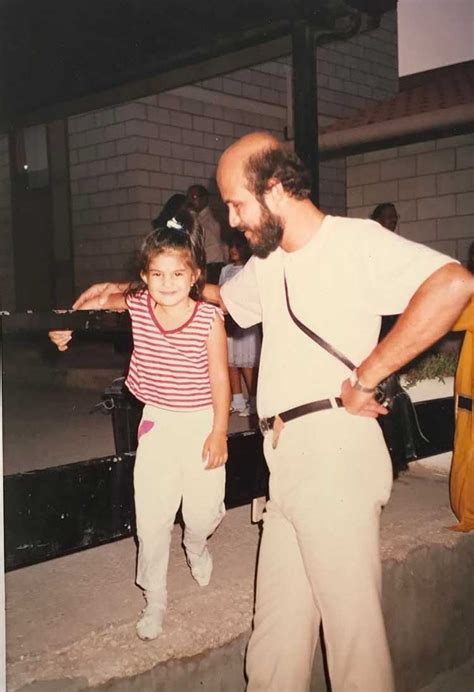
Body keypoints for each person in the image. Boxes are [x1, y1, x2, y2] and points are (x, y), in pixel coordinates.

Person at [66, 133, 474, 692]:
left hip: (333, 450)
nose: (231, 220)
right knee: (275, 647)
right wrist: (119, 291)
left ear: (276, 189)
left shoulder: (354, 241)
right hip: (283, 458)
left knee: (353, 643)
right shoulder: (269, 264)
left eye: (236, 203)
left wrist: (367, 375)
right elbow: (203, 295)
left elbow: (453, 284)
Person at [50, 209, 230, 642]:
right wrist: (63, 325)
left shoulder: (209, 320)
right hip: (159, 423)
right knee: (152, 518)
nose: (166, 284)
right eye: (157, 274)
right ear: (145, 278)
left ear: (194, 278)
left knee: (203, 513)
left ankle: (197, 544)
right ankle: (155, 599)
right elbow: (94, 301)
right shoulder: (139, 305)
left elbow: (221, 378)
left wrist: (220, 430)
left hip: (202, 421)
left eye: (176, 274)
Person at [219, 231, 260, 416]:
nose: (233, 250)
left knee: (247, 363)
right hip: (229, 322)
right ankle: (237, 400)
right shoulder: (225, 270)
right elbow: (221, 294)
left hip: (246, 323)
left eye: (237, 246)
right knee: (231, 362)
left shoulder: (250, 269)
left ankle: (253, 401)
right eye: (231, 246)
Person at [187, 184, 227, 283]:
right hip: (203, 265)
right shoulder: (196, 217)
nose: (191, 201)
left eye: (194, 197)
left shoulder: (213, 217)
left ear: (204, 199)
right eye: (189, 198)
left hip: (213, 265)